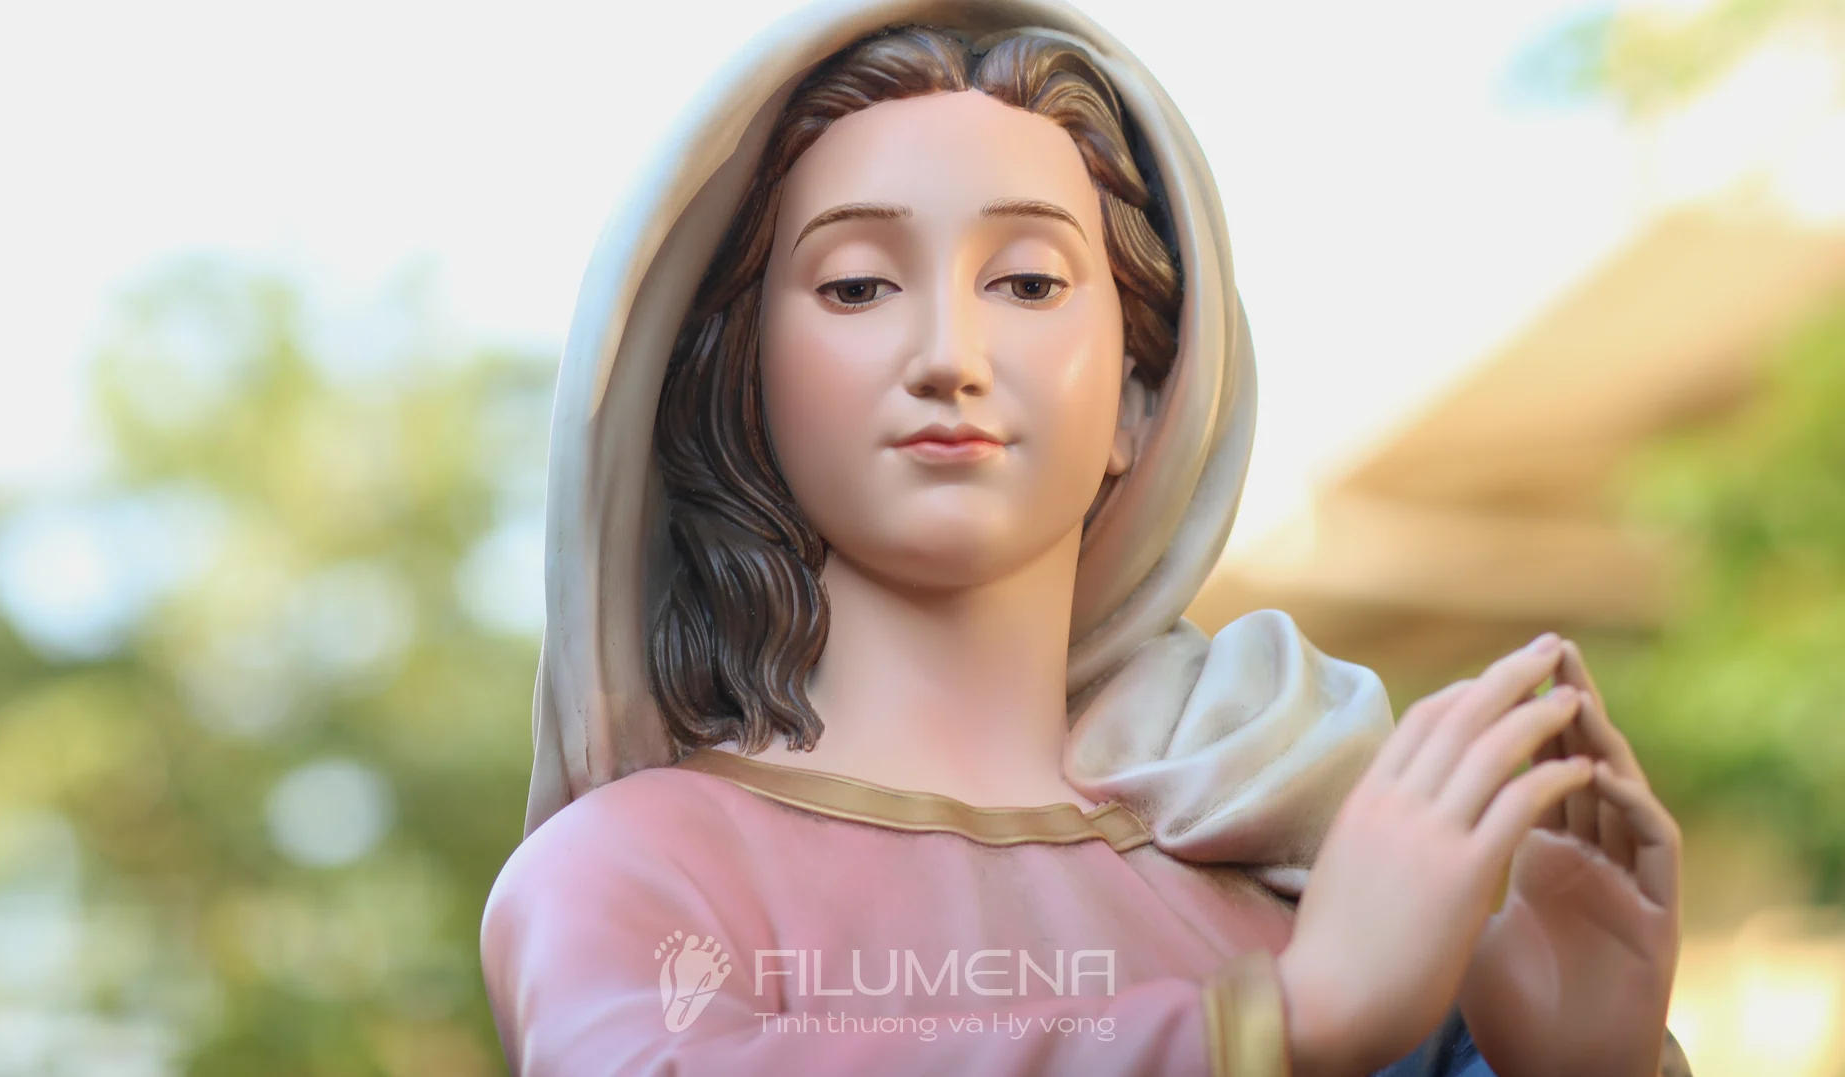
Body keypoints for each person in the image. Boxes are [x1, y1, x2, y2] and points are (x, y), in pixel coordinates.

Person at [481, 3, 1690, 1074]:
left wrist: (1573, 1065)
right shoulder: (640, 873)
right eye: (856, 285)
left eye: (1027, 283)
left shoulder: (1284, 859)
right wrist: (1271, 1030)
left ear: (1139, 402)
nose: (948, 355)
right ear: (748, 385)